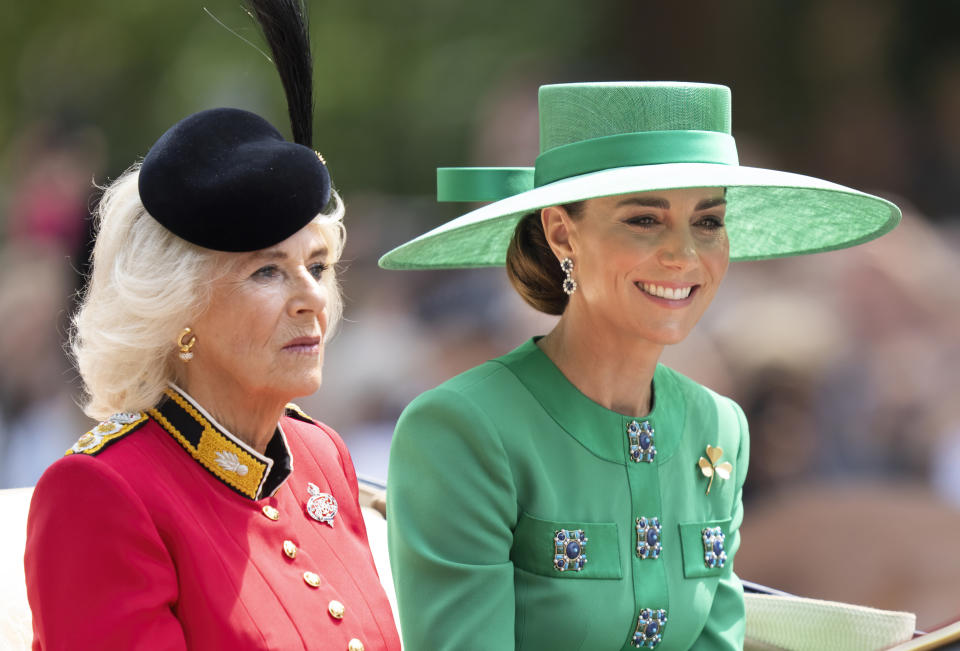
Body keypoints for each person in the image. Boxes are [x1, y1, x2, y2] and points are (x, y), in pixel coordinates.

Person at [380, 82, 900, 650]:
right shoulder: (462, 429)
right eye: (644, 220)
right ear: (562, 233)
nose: (684, 255)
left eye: (707, 221)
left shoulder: (719, 428)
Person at [23, 1, 401, 649]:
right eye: (267, 272)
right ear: (180, 309)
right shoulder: (103, 492)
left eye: (316, 263)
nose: (313, 296)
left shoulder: (322, 456)